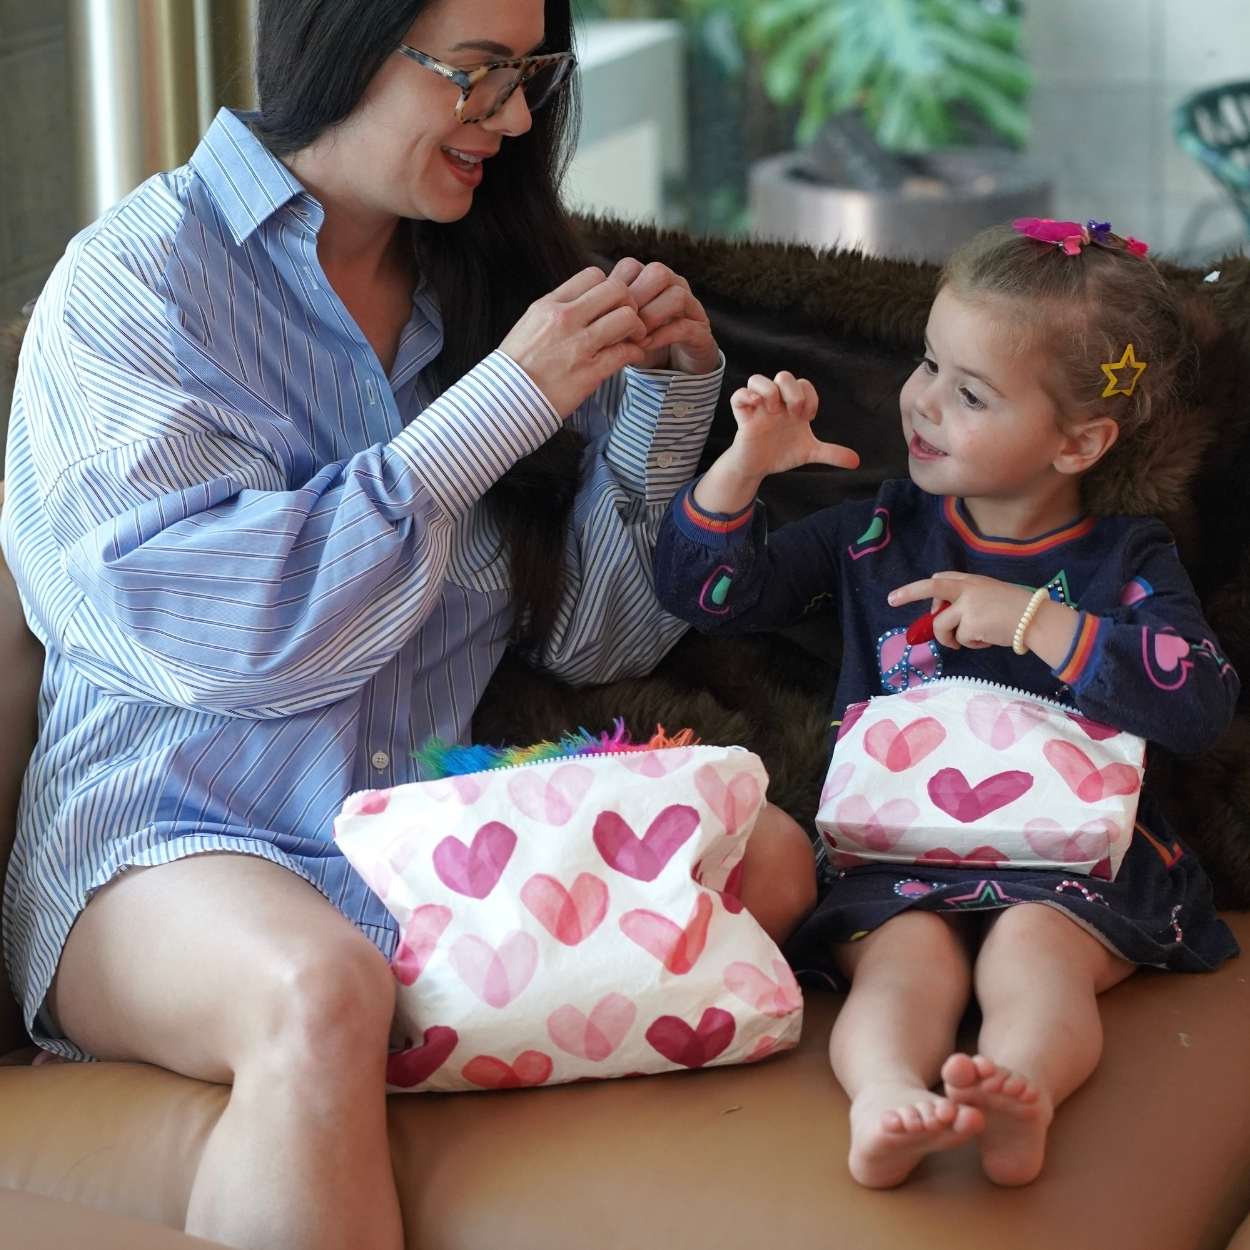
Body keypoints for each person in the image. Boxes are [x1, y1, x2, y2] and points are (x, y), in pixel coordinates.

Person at [0, 1, 816, 1247]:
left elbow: (591, 640)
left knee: (764, 856)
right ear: (338, 42)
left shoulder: (491, 279)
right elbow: (219, 641)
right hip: (166, 835)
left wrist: (662, 402)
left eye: (529, 73)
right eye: (476, 74)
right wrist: (497, 407)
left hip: (413, 839)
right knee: (319, 987)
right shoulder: (140, 278)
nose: (516, 117)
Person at [653, 217, 1240, 1190]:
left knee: (1033, 954)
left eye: (969, 393)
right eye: (928, 362)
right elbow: (707, 595)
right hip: (897, 854)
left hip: (1071, 866)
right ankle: (885, 1099)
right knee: (902, 966)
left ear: (1078, 441)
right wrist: (743, 464)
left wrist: (1034, 621)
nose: (921, 401)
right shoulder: (877, 531)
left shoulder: (1123, 558)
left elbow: (1201, 701)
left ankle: (1020, 1092)